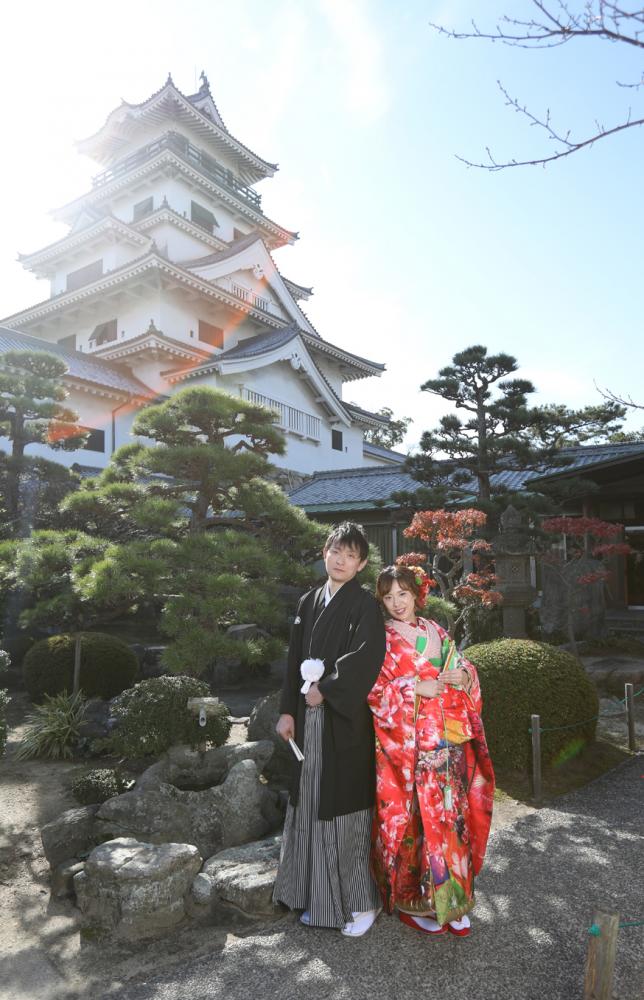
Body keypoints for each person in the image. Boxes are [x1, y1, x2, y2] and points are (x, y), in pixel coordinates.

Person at [368, 564, 495, 937]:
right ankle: (414, 903)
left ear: (416, 594)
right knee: (417, 825)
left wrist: (465, 675)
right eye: (388, 597)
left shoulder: (436, 630)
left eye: (403, 594)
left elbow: (460, 665)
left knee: (452, 822)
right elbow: (374, 693)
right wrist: (412, 688)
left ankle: (454, 900)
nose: (396, 603)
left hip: (447, 742)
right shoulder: (382, 639)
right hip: (411, 751)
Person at [273, 521, 386, 936]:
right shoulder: (308, 601)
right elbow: (292, 662)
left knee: (344, 811)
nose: (341, 560)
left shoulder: (363, 605)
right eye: (336, 551)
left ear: (361, 565)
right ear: (325, 552)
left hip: (344, 721)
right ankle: (308, 893)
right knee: (308, 803)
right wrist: (289, 710)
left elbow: (367, 657)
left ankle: (361, 903)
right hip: (307, 718)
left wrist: (329, 690)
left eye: (351, 555)